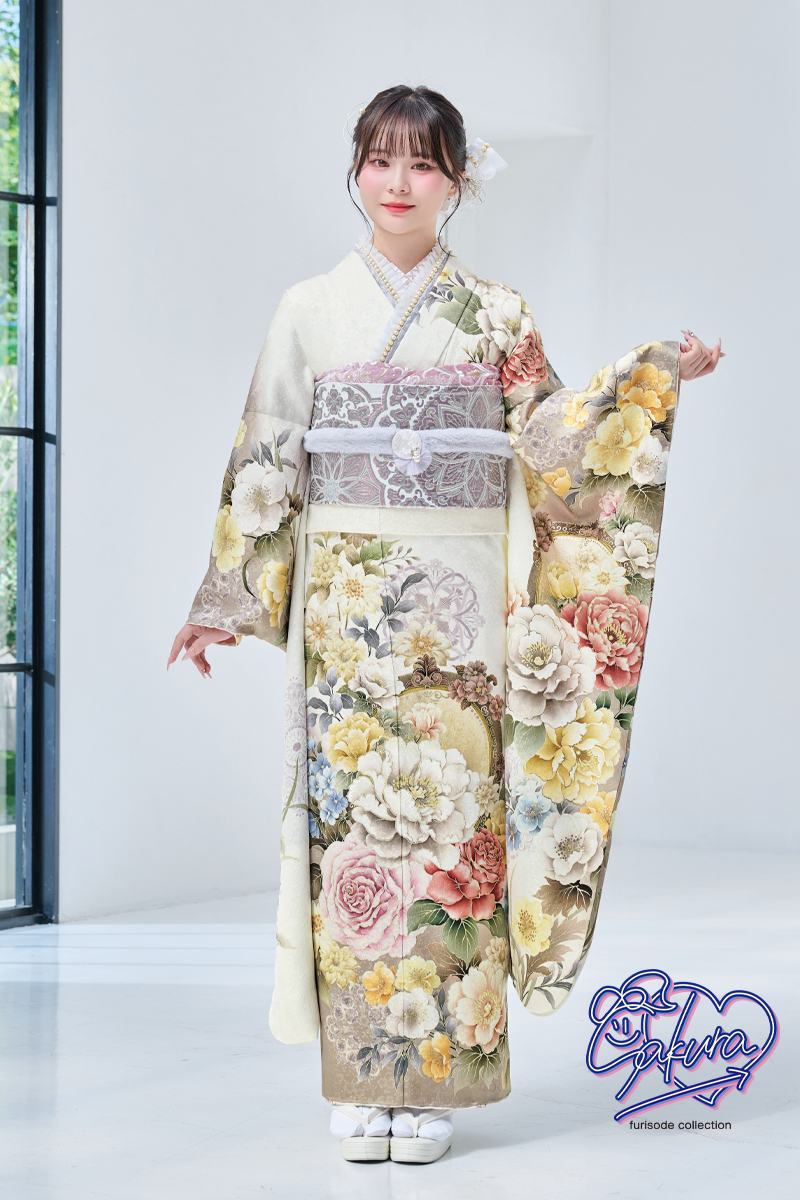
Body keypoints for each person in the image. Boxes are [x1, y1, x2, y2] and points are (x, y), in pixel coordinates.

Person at [168, 85, 722, 1163]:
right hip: (347, 614)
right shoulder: (307, 308)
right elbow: (267, 451)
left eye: (422, 163)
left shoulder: (497, 314)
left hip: (463, 615)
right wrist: (225, 598)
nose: (397, 182)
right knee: (357, 835)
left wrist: (654, 377)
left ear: (457, 181)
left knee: (451, 835)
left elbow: (555, 440)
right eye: (379, 159)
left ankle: (436, 1085)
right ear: (355, 170)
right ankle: (364, 1076)